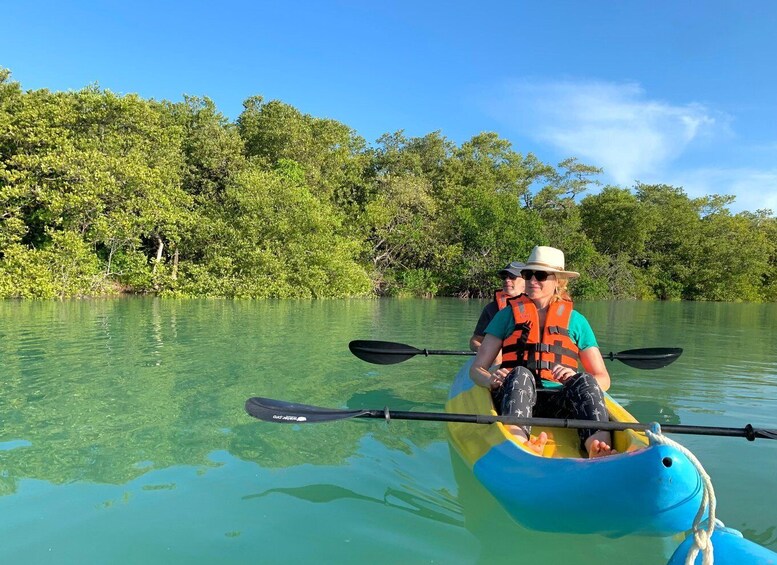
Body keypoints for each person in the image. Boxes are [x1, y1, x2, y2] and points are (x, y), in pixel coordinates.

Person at [469, 246, 616, 458]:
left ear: (558, 281)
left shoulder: (577, 321)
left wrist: (573, 377)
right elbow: (476, 369)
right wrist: (490, 378)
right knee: (519, 373)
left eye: (540, 275)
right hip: (514, 397)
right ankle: (519, 444)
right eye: (528, 274)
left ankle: (598, 448)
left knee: (585, 379)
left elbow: (603, 378)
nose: (532, 280)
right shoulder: (506, 316)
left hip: (560, 401)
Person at [469, 261, 526, 352]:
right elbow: (475, 340)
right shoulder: (491, 309)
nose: (507, 280)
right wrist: (484, 351)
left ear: (526, 280)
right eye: (504, 277)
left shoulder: (539, 307)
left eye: (512, 277)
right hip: (497, 362)